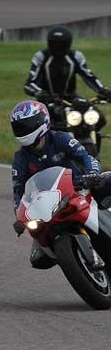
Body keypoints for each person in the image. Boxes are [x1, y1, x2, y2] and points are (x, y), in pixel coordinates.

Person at [10, 100, 108, 269]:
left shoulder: (60, 138)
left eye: (26, 125)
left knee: (108, 180)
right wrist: (19, 216)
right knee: (38, 259)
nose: (22, 131)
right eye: (18, 127)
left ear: (41, 122)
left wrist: (92, 174)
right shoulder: (20, 158)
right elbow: (18, 190)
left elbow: (86, 157)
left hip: (80, 186)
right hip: (50, 203)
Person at [23, 26, 111, 131]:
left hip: (71, 99)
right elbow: (29, 84)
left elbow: (89, 76)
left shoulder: (76, 56)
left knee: (99, 120)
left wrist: (103, 90)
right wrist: (40, 93)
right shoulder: (41, 56)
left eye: (61, 45)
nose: (58, 48)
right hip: (47, 100)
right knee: (38, 127)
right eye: (55, 44)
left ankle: (92, 143)